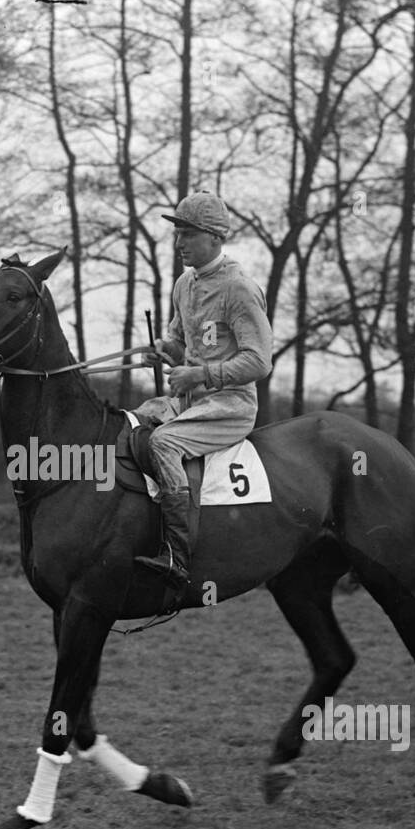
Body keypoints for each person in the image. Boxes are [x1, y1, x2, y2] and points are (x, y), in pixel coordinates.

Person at [132, 191, 273, 586]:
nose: (179, 243)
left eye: (188, 235)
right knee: (133, 423)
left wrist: (200, 375)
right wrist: (161, 351)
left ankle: (178, 556)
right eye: (177, 234)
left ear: (214, 238)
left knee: (163, 443)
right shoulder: (184, 284)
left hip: (229, 406)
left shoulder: (239, 288)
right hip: (188, 402)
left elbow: (260, 361)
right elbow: (180, 346)